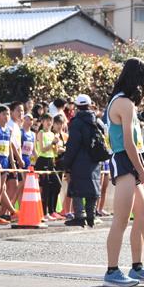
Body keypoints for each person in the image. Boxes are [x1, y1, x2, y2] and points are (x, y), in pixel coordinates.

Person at [104, 57, 144, 287]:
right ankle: (112, 270)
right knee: (121, 219)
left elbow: (134, 144)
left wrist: (142, 168)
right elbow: (127, 144)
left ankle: (137, 267)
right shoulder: (124, 103)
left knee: (143, 215)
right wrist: (142, 170)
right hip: (124, 160)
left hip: (131, 161)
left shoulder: (125, 102)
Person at [61, 94, 102, 227]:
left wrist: (66, 162)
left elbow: (72, 145)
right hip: (95, 159)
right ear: (90, 105)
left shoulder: (76, 122)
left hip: (79, 161)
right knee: (92, 188)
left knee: (77, 189)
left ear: (77, 107)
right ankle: (91, 216)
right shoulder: (97, 121)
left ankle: (80, 216)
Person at [34, 114, 60, 220]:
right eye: (46, 121)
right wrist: (53, 143)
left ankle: (51, 210)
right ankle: (44, 212)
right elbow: (42, 149)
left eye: (50, 120)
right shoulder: (41, 133)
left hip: (51, 160)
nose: (49, 123)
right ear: (43, 122)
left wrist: (57, 145)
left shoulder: (52, 134)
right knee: (45, 188)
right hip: (42, 160)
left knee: (57, 185)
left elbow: (55, 151)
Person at [5, 101, 25, 212]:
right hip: (10, 158)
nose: (21, 113)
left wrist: (20, 159)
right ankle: (5, 212)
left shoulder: (17, 126)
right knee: (12, 186)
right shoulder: (10, 125)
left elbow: (18, 145)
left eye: (22, 110)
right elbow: (11, 144)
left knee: (18, 185)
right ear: (11, 112)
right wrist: (16, 159)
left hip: (17, 160)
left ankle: (8, 211)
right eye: (18, 110)